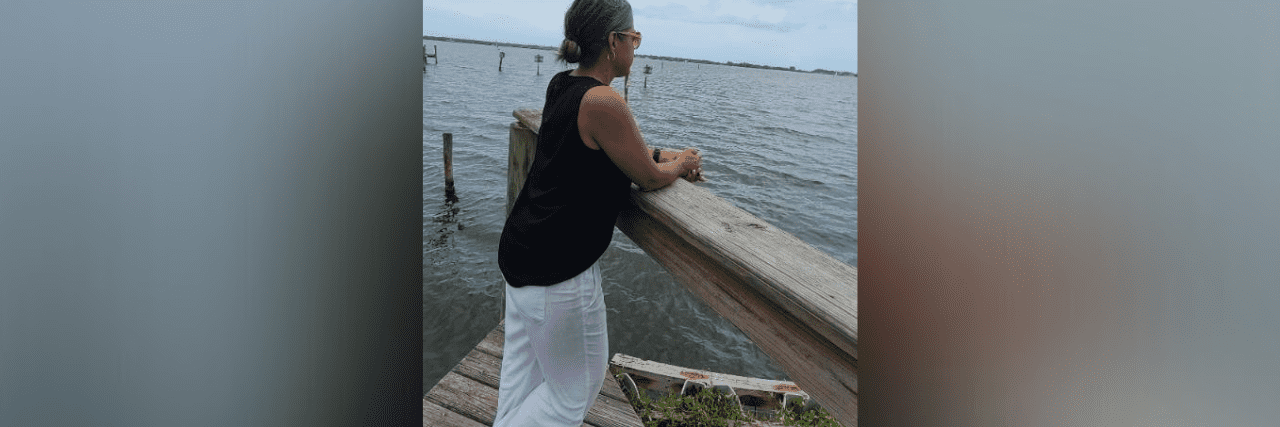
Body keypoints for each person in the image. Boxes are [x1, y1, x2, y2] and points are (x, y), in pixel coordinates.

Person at [493, 0, 704, 425]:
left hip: (521, 253)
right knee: (572, 396)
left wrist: (666, 154)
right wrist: (679, 165)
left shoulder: (562, 85)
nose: (636, 47)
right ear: (613, 42)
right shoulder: (604, 100)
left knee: (520, 378)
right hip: (558, 274)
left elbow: (609, 150)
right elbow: (646, 175)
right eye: (635, 38)